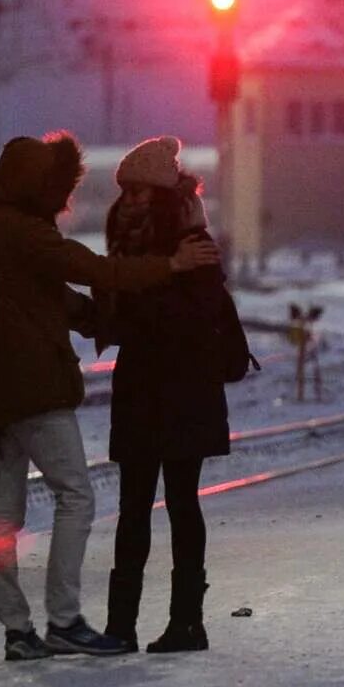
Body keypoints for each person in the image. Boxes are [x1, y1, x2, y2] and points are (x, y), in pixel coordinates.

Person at [0, 132, 221, 662]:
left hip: (7, 397)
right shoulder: (24, 233)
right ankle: (67, 620)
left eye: (143, 192)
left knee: (5, 515)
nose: (131, 200)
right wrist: (163, 271)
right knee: (78, 498)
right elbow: (90, 271)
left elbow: (49, 297)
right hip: (42, 392)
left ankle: (20, 630)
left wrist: (103, 318)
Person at [95, 136, 235, 654]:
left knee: (179, 502)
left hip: (182, 390)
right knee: (133, 506)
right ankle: (120, 625)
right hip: (143, 389)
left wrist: (138, 295)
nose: (129, 201)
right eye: (125, 192)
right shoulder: (136, 245)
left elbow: (189, 320)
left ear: (161, 194)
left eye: (138, 192)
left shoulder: (191, 245)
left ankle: (187, 622)